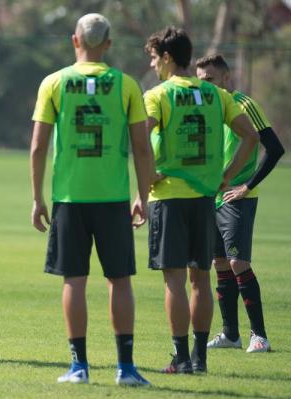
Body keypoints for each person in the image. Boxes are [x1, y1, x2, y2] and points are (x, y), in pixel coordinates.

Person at [30, 13, 154, 386]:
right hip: (114, 197)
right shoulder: (125, 85)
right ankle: (127, 368)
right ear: (109, 44)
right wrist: (142, 197)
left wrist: (37, 199)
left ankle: (79, 367)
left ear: (75, 41)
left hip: (69, 197)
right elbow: (142, 149)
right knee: (119, 281)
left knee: (74, 280)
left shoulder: (54, 82)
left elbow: (38, 147)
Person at [143, 27, 259, 374]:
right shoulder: (216, 95)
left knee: (174, 282)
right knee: (201, 280)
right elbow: (251, 137)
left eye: (153, 57)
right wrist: (226, 176)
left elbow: (137, 138)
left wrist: (148, 175)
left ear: (166, 58)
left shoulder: (158, 95)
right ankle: (200, 359)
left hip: (169, 197)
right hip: (206, 199)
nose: (151, 65)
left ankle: (180, 358)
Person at [195, 54, 284, 353]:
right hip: (212, 196)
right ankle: (230, 334)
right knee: (219, 263)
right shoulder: (206, 109)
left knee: (237, 262)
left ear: (226, 78)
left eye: (210, 79)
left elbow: (274, 148)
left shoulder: (244, 104)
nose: (205, 85)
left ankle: (259, 336)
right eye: (200, 80)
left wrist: (247, 185)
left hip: (237, 198)